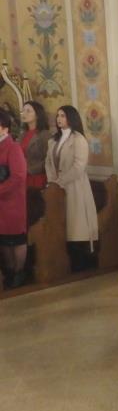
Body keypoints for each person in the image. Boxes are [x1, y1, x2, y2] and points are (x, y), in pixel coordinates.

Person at [45, 105, 98, 272]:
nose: (59, 119)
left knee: (76, 228)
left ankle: (81, 265)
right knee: (62, 226)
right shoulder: (53, 140)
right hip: (56, 188)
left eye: (63, 115)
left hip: (75, 187)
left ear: (71, 118)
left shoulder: (78, 139)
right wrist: (52, 181)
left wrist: (61, 181)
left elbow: (78, 166)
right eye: (58, 116)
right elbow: (48, 163)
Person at [0, 109, 28, 288]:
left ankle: (19, 272)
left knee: (15, 239)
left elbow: (18, 176)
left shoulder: (13, 147)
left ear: (4, 128)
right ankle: (9, 272)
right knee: (3, 239)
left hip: (12, 202)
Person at [19, 100, 50, 189]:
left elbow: (49, 160)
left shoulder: (45, 134)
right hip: (22, 177)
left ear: (37, 115)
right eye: (23, 111)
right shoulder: (23, 134)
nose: (24, 113)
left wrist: (29, 170)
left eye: (28, 111)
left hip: (37, 178)